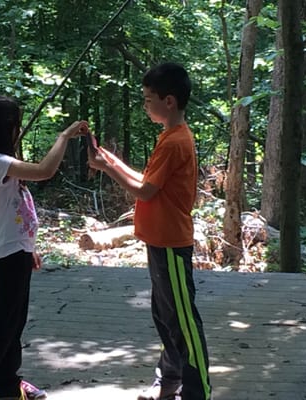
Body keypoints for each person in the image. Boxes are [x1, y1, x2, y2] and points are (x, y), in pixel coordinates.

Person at [88, 63, 211, 400]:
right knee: (165, 316)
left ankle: (198, 392)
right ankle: (169, 382)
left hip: (171, 242)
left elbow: (144, 192)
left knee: (183, 320)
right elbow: (146, 180)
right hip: (158, 242)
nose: (145, 104)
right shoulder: (169, 136)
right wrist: (110, 162)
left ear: (168, 101)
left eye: (148, 99)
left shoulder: (175, 141)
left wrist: (107, 170)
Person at [0, 94, 88, 400]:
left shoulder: (0, 162)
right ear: (3, 129)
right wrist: (64, 136)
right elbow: (45, 171)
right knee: (2, 324)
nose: (18, 130)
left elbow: (16, 211)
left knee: (14, 322)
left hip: (17, 251)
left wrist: (29, 247)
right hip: (7, 254)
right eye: (15, 124)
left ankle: (7, 384)